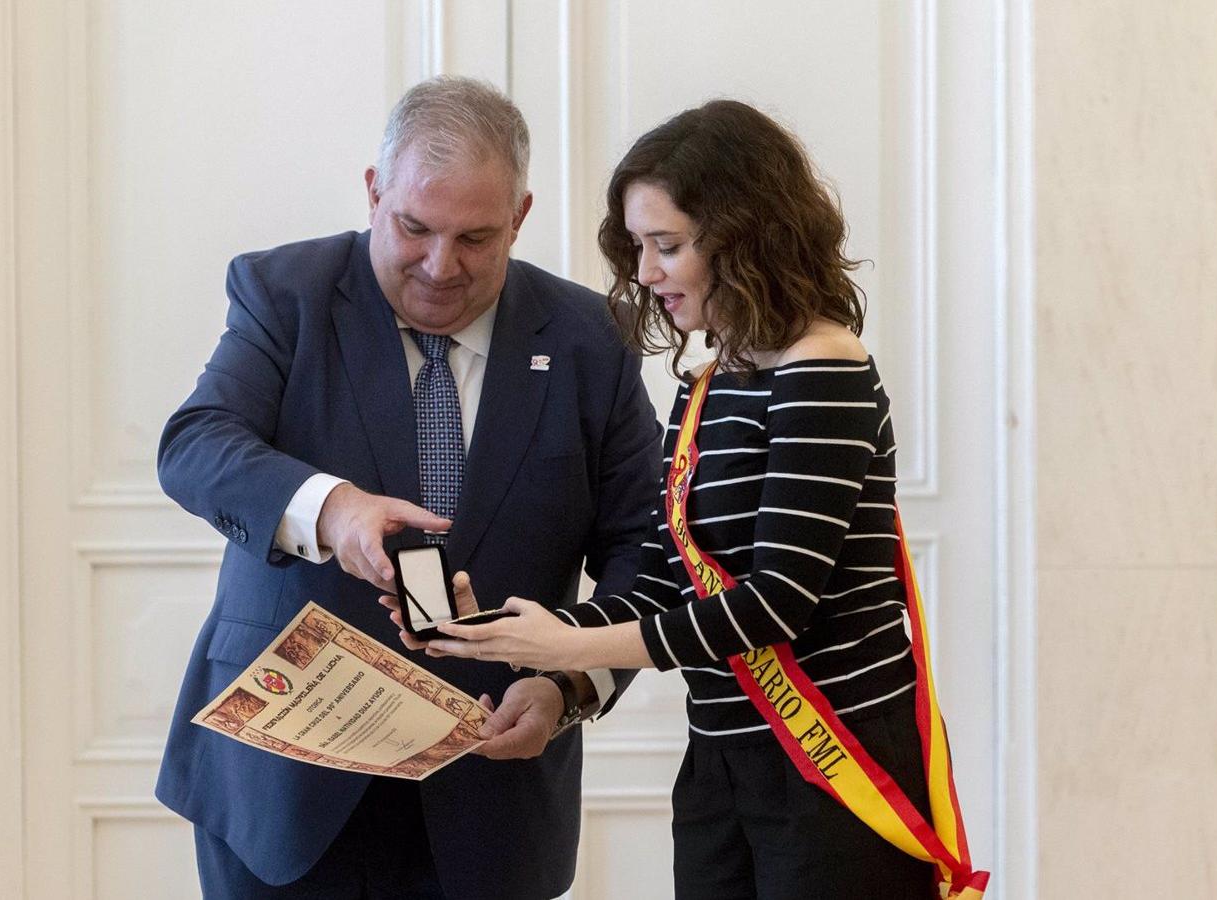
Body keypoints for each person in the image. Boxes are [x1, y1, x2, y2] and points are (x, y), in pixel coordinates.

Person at [391, 100, 986, 899]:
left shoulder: (825, 369)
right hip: (721, 762)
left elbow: (777, 603)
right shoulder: (710, 382)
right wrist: (511, 634)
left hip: (835, 762)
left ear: (744, 239)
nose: (644, 273)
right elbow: (668, 583)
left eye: (667, 246)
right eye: (638, 247)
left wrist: (569, 650)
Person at [154, 76, 662, 900]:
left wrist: (569, 682)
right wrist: (332, 508)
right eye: (415, 228)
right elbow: (196, 444)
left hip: (490, 794)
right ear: (373, 192)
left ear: (521, 218)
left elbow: (648, 542)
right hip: (287, 787)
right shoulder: (287, 295)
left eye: (475, 239)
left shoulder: (586, 340)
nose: (439, 265)